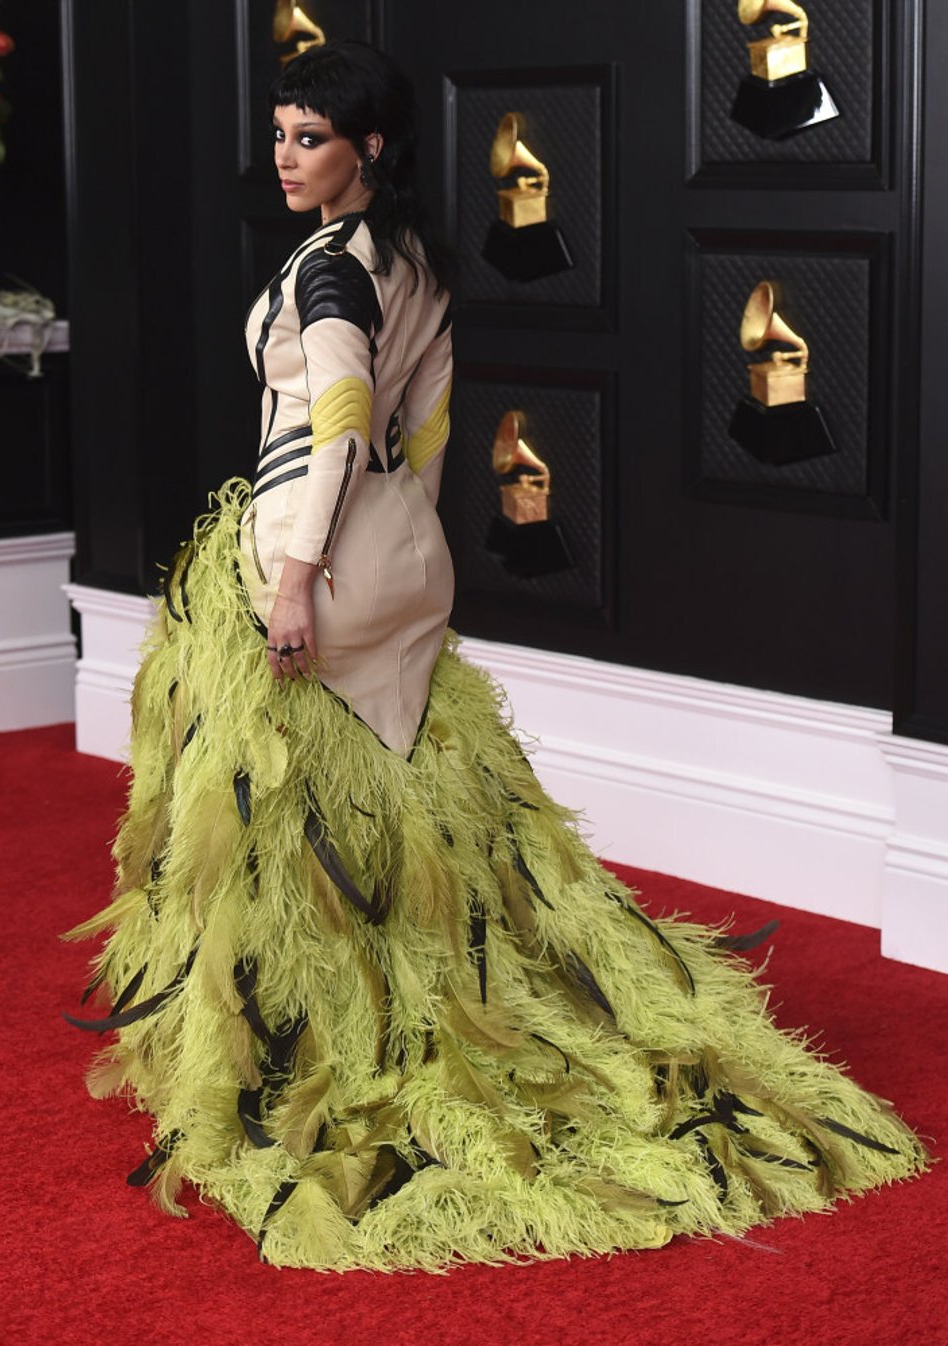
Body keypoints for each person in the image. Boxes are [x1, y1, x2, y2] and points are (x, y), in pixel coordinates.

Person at [64, 41, 926, 1272]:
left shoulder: (334, 277)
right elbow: (433, 427)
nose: (284, 153)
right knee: (419, 817)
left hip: (316, 559)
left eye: (310, 136)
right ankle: (447, 1000)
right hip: (407, 558)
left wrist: (298, 576)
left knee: (297, 833)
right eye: (280, 132)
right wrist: (393, 546)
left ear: (367, 147)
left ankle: (335, 1044)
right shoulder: (417, 256)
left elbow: (342, 418)